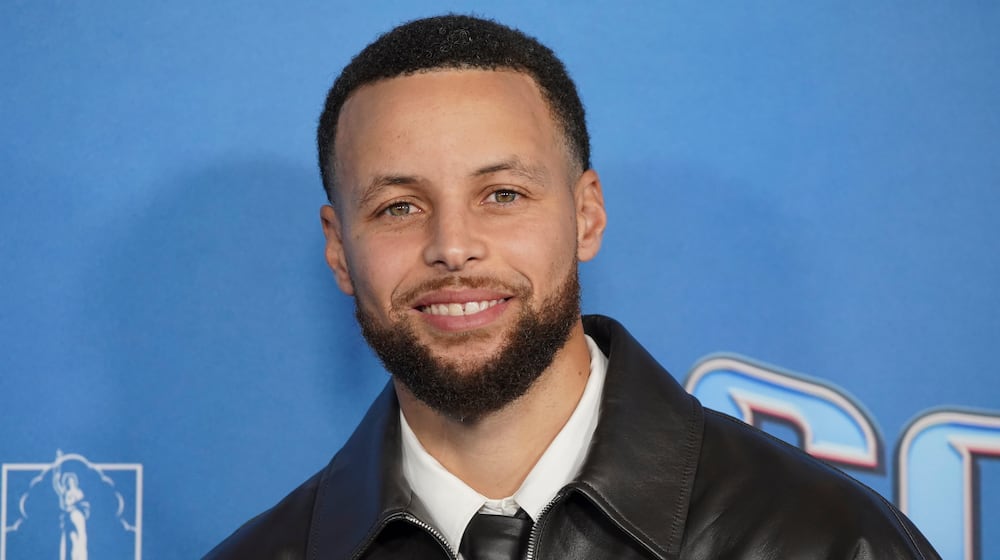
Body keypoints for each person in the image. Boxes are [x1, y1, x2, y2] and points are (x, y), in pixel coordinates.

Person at [205, 14, 940, 560]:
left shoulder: (823, 540)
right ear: (339, 251)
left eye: (503, 194)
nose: (452, 246)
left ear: (586, 214)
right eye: (399, 207)